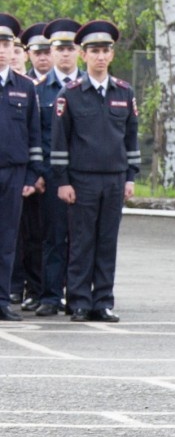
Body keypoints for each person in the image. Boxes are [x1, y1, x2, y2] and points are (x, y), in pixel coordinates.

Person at [50, 19, 140, 323]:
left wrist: (130, 177)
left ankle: (102, 301)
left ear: (112, 55)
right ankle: (78, 301)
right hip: (82, 179)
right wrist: (62, 181)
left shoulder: (124, 92)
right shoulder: (70, 94)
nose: (100, 57)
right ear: (83, 55)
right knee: (81, 242)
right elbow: (60, 141)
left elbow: (131, 138)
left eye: (105, 51)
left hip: (114, 179)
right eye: (94, 51)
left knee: (106, 242)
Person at [35, 18, 81, 317]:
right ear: (51, 52)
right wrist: (39, 171)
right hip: (53, 175)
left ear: (79, 51)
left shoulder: (87, 87)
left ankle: (77, 297)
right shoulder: (38, 90)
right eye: (59, 49)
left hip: (85, 175)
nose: (64, 54)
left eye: (69, 48)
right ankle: (50, 295)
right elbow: (36, 134)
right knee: (53, 238)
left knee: (82, 239)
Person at [0, 13, 44, 322]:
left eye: (6, 43)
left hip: (13, 174)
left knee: (7, 240)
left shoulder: (25, 88)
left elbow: (34, 135)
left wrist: (32, 174)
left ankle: (2, 301)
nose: (1, 49)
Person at [12, 23, 53, 313]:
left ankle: (39, 289)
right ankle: (16, 288)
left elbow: (39, 135)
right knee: (18, 236)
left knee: (42, 236)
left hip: (45, 175)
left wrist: (40, 173)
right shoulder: (21, 85)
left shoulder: (53, 87)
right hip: (20, 172)